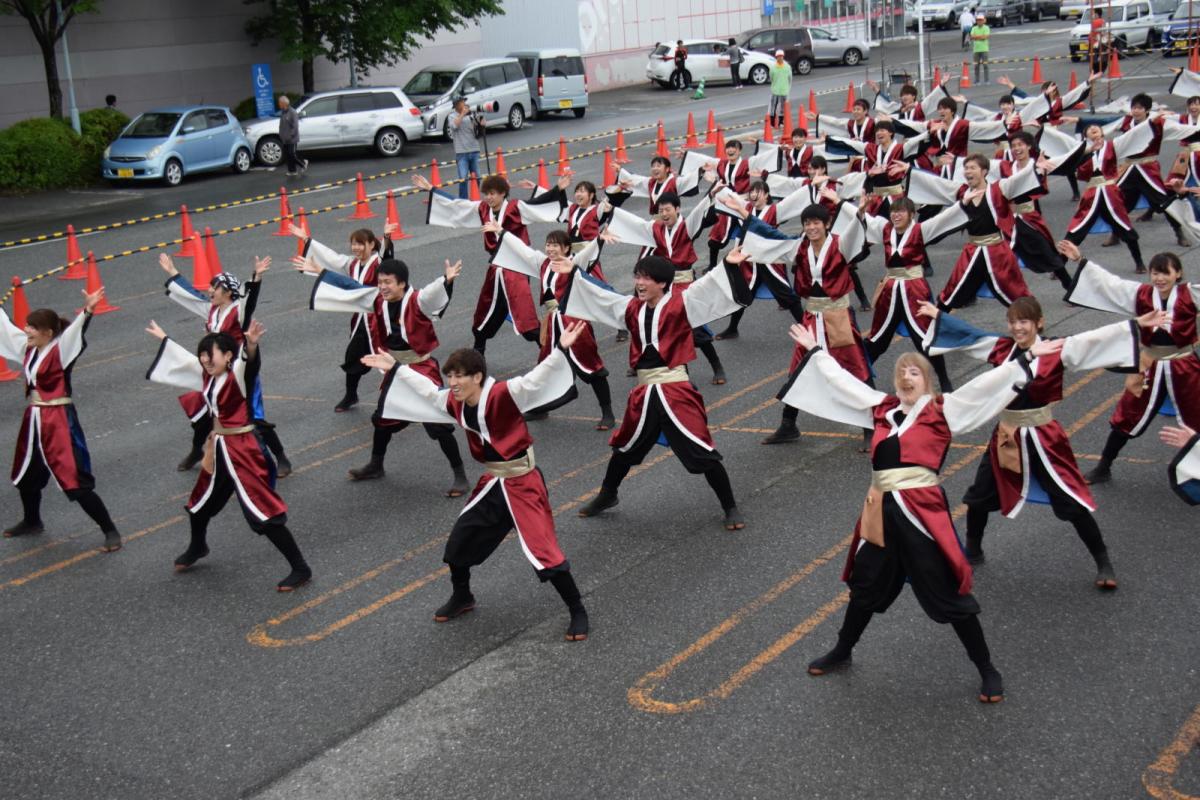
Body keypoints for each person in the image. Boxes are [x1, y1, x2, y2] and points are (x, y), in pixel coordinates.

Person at [788, 325, 1059, 703]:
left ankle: (987, 668)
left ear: (928, 383)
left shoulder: (940, 411)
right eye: (901, 372)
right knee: (865, 588)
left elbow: (983, 387)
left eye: (914, 371)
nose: (905, 376)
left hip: (921, 516)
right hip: (881, 513)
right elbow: (844, 383)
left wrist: (1026, 358)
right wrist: (817, 349)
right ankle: (843, 650)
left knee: (949, 594)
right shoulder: (883, 411)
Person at [363, 333, 590, 642]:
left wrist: (560, 347)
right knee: (458, 544)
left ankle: (577, 609)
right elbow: (428, 392)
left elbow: (536, 379)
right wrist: (395, 368)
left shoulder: (502, 394)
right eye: (450, 376)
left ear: (478, 377)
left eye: (459, 376)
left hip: (523, 482)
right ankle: (463, 596)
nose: (453, 382)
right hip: (493, 482)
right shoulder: (455, 402)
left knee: (544, 552)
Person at [921, 297, 1158, 590]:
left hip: (1044, 436)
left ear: (1039, 323)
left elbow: (1091, 340)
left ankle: (1103, 561)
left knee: (1071, 501)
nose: (1018, 327)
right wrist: (939, 316)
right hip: (1007, 436)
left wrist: (1133, 326)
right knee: (979, 497)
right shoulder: (1002, 349)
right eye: (1013, 321)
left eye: (1024, 321)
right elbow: (971, 336)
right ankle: (974, 550)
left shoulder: (1055, 349)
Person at [558, 252, 751, 531]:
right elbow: (603, 294)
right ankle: (607, 494)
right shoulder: (631, 308)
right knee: (625, 447)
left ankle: (730, 506)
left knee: (701, 449)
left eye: (646, 277)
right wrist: (575, 272)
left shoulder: (682, 303)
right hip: (645, 390)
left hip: (676, 389)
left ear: (662, 283)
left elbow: (708, 284)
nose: (639, 282)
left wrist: (729, 265)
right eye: (637, 276)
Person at [145, 321, 312, 591]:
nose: (204, 360)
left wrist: (253, 344)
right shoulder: (209, 376)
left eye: (210, 354)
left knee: (262, 512)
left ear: (228, 356)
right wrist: (165, 338)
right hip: (220, 447)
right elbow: (185, 361)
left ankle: (300, 567)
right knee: (199, 503)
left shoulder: (238, 376)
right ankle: (198, 546)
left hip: (244, 449)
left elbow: (250, 363)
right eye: (202, 354)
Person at [294, 252, 471, 496]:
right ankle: (376, 465)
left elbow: (433, 291)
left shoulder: (417, 300)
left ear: (402, 283)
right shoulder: (377, 300)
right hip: (394, 368)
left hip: (421, 368)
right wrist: (320, 271)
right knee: (382, 419)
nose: (383, 286)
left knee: (437, 423)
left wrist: (447, 280)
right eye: (380, 282)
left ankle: (460, 475)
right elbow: (351, 287)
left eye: (388, 282)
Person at [739, 194, 873, 446]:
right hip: (812, 316)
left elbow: (856, 236)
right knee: (799, 368)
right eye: (807, 223)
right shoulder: (800, 246)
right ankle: (788, 425)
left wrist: (860, 214)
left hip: (837, 314)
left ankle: (870, 425)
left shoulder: (840, 244)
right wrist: (746, 215)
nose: (811, 227)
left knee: (855, 367)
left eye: (816, 223)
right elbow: (771, 237)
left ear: (827, 224)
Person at [1059, 245, 1200, 485]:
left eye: (1165, 273)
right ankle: (1104, 466)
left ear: (1178, 273)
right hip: (1149, 366)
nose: (1160, 278)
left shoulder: (1191, 294)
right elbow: (1110, 284)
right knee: (1127, 415)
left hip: (1184, 365)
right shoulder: (1143, 295)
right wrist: (1080, 259)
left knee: (1197, 418)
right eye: (1155, 273)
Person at [0, 288, 121, 553]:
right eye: (27, 326)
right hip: (33, 418)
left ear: (49, 333)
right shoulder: (29, 349)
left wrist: (88, 311)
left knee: (74, 479)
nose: (27, 330)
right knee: (26, 475)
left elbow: (76, 333)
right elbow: (6, 330)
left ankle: (109, 529)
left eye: (33, 327)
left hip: (58, 420)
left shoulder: (61, 350)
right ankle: (33, 521)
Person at [159, 253, 291, 477]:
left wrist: (256, 277)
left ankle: (281, 457)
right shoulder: (211, 310)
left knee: (253, 417)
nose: (210, 291)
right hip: (214, 373)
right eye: (211, 287)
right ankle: (196, 451)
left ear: (229, 292)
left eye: (215, 288)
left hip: (239, 373)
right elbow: (191, 296)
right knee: (204, 414)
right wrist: (172, 271)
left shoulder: (237, 311)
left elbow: (249, 302)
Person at [413, 172, 569, 353]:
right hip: (496, 270)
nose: (489, 197)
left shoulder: (515, 208)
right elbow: (458, 206)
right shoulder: (482, 209)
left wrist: (558, 189)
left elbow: (537, 205)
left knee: (525, 317)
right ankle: (478, 352)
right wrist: (431, 189)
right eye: (486, 193)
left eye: (493, 193)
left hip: (516, 269)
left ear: (503, 193)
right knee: (484, 312)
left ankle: (551, 351)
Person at [602, 189, 730, 384]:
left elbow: (697, 215)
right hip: (664, 287)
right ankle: (679, 374)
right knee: (665, 329)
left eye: (667, 209)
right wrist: (611, 210)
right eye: (661, 210)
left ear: (677, 209)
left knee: (694, 328)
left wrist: (710, 195)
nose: (664, 214)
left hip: (685, 285)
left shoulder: (687, 227)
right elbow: (636, 225)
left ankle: (717, 365)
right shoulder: (656, 229)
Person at [492, 230, 616, 430]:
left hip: (574, 322)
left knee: (590, 365)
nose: (550, 248)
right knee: (546, 365)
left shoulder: (574, 263)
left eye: (555, 245)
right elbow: (522, 250)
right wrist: (501, 231)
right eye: (548, 244)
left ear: (566, 248)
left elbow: (588, 253)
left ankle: (607, 412)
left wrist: (599, 240)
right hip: (552, 322)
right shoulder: (543, 263)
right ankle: (541, 408)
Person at [857, 196, 963, 391]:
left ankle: (945, 381)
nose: (896, 215)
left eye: (901, 211)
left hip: (914, 289)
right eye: (894, 211)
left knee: (924, 339)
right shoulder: (886, 229)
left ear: (912, 215)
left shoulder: (919, 230)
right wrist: (847, 204)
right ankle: (860, 378)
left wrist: (964, 204)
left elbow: (944, 219)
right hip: (890, 290)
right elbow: (867, 221)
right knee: (878, 339)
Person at [292, 224, 392, 410]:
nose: (356, 248)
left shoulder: (379, 263)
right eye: (354, 244)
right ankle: (351, 395)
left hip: (381, 319)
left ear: (372, 244)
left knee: (389, 358)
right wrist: (307, 239)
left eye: (361, 244)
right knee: (353, 358)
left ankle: (401, 398)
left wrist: (386, 237)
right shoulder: (352, 263)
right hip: (361, 321)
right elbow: (332, 258)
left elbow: (387, 258)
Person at [448, 97, 482, 201]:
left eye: (463, 101)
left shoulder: (471, 113)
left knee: (477, 177)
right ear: (456, 105)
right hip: (462, 152)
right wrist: (463, 114)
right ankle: (463, 201)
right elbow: (454, 126)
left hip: (474, 149)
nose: (463, 104)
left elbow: (480, 126)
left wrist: (481, 120)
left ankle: (477, 198)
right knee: (463, 178)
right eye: (460, 102)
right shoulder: (452, 116)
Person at [277, 95, 305, 177]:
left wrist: (290, 135)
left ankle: (303, 163)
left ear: (284, 103)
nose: (279, 104)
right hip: (284, 138)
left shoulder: (292, 112)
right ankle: (292, 171)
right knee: (287, 155)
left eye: (279, 103)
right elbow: (282, 125)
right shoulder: (283, 112)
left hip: (292, 138)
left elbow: (295, 126)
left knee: (292, 154)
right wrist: (281, 134)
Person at [769, 50, 791, 127]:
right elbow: (771, 78)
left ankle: (781, 122)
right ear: (776, 57)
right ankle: (772, 123)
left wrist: (788, 88)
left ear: (783, 56)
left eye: (781, 56)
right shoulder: (773, 67)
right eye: (778, 56)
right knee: (773, 107)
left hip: (784, 90)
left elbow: (790, 79)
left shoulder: (787, 67)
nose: (780, 58)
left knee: (782, 107)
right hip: (775, 90)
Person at [970, 16, 991, 85]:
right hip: (976, 50)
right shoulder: (974, 28)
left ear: (984, 20)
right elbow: (972, 37)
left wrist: (976, 37)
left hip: (984, 49)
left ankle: (987, 80)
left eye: (981, 20)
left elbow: (985, 37)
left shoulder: (986, 27)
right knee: (976, 66)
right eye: (978, 20)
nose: (979, 21)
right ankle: (977, 80)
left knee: (985, 65)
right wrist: (980, 37)